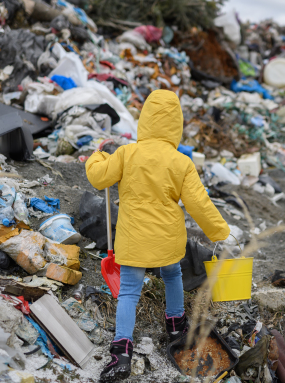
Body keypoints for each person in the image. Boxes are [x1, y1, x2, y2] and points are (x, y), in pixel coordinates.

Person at [86, 90, 230, 382]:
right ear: (175, 124)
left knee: (129, 291)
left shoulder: (127, 153)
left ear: (146, 119)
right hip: (167, 239)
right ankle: (175, 324)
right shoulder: (181, 162)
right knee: (172, 273)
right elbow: (199, 204)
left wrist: (98, 155)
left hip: (133, 238)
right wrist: (220, 231)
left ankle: (121, 352)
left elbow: (99, 177)